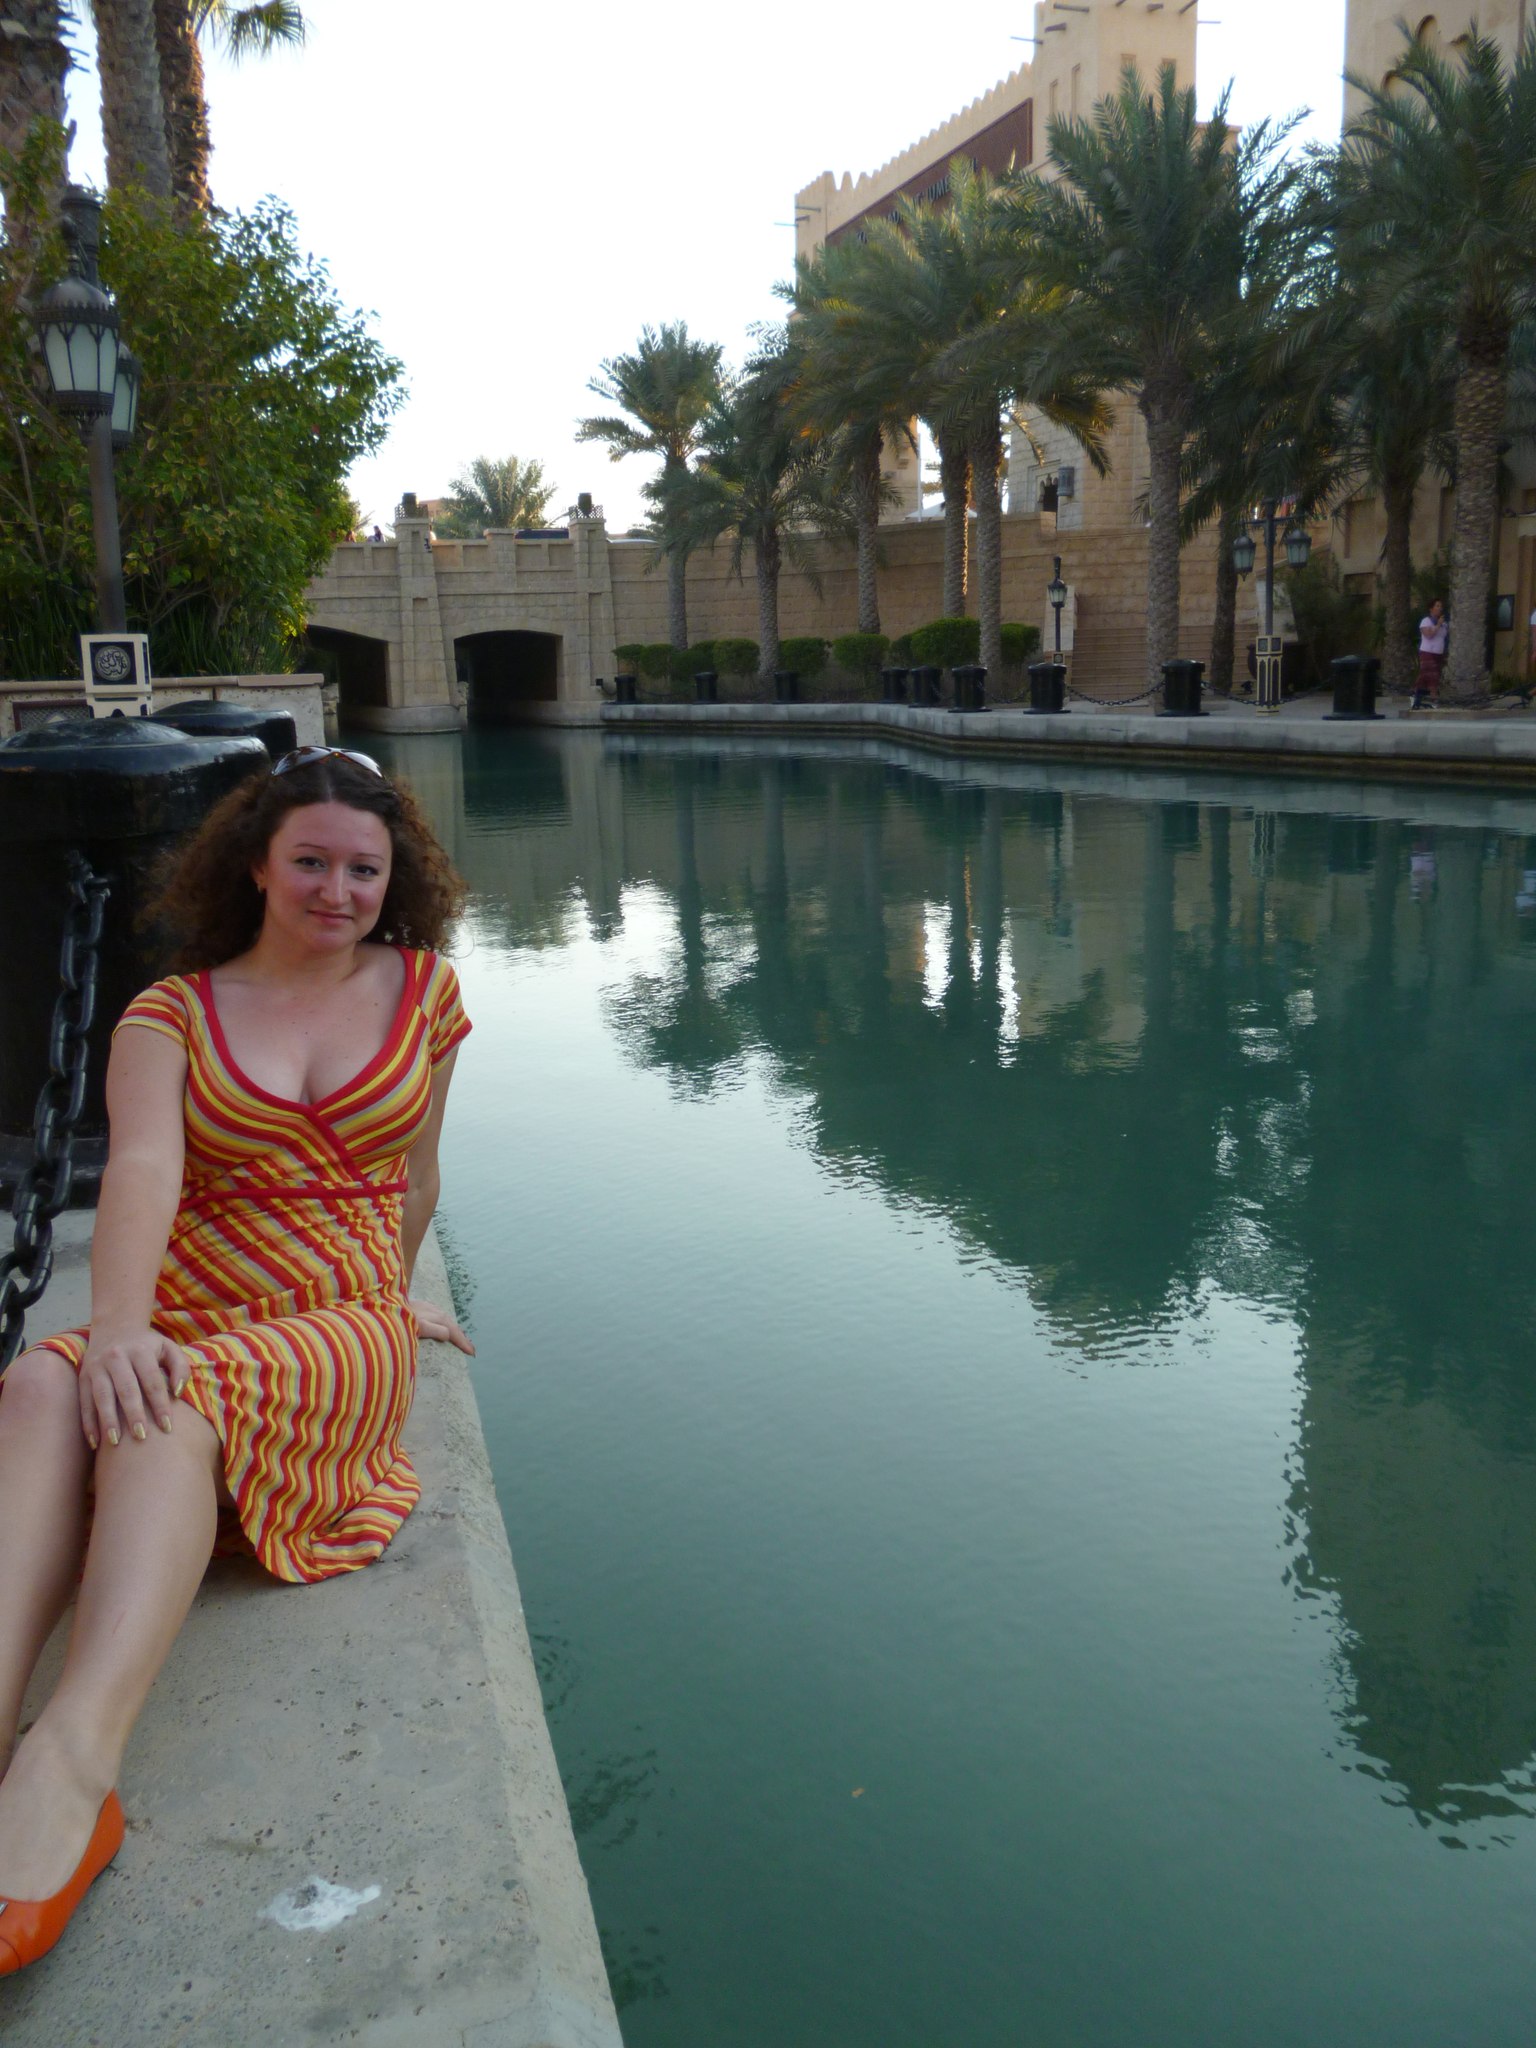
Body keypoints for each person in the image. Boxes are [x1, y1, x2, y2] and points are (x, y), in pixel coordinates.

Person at [0, 745, 471, 1975]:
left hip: (341, 1311)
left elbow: (418, 1174)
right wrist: (117, 1322)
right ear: (256, 864)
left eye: (363, 869)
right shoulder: (171, 1013)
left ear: (394, 878)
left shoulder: (426, 993)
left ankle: (71, 1765)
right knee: (44, 1381)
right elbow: (145, 1174)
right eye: (311, 861)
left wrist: (398, 1301)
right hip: (202, 1285)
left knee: (173, 1399)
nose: (338, 890)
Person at [1413, 599, 1448, 708]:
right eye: (1437, 606)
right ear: (1431, 608)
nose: (1440, 608)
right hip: (1427, 653)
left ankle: (1416, 695)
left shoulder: (1444, 624)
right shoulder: (1426, 621)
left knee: (1425, 676)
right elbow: (1429, 635)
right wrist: (1438, 625)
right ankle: (1434, 699)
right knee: (1433, 676)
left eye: (1441, 606)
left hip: (1439, 654)